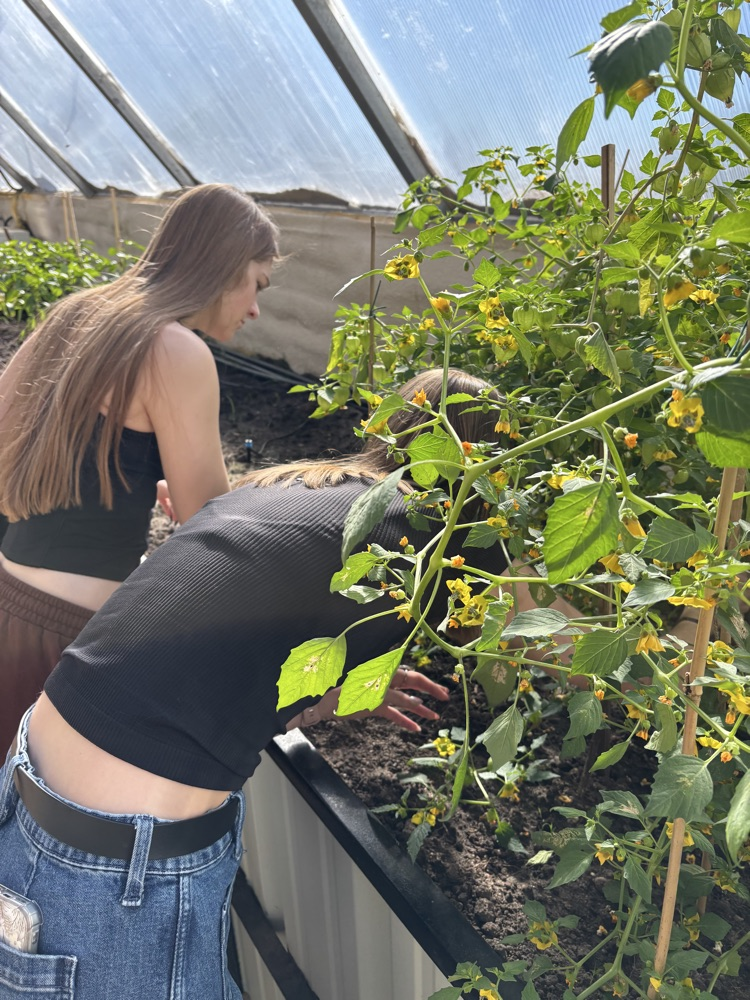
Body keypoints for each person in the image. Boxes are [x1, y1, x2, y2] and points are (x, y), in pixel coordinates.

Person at [0, 368, 508, 1000]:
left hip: (35, 782)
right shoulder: (428, 543)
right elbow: (503, 634)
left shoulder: (296, 485)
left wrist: (330, 697)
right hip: (116, 865)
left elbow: (220, 651)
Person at [0, 183, 280, 747]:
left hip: (12, 601)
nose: (255, 308)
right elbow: (213, 526)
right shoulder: (176, 349)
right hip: (68, 638)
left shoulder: (76, 313)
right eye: (258, 283)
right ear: (226, 268)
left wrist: (122, 479)